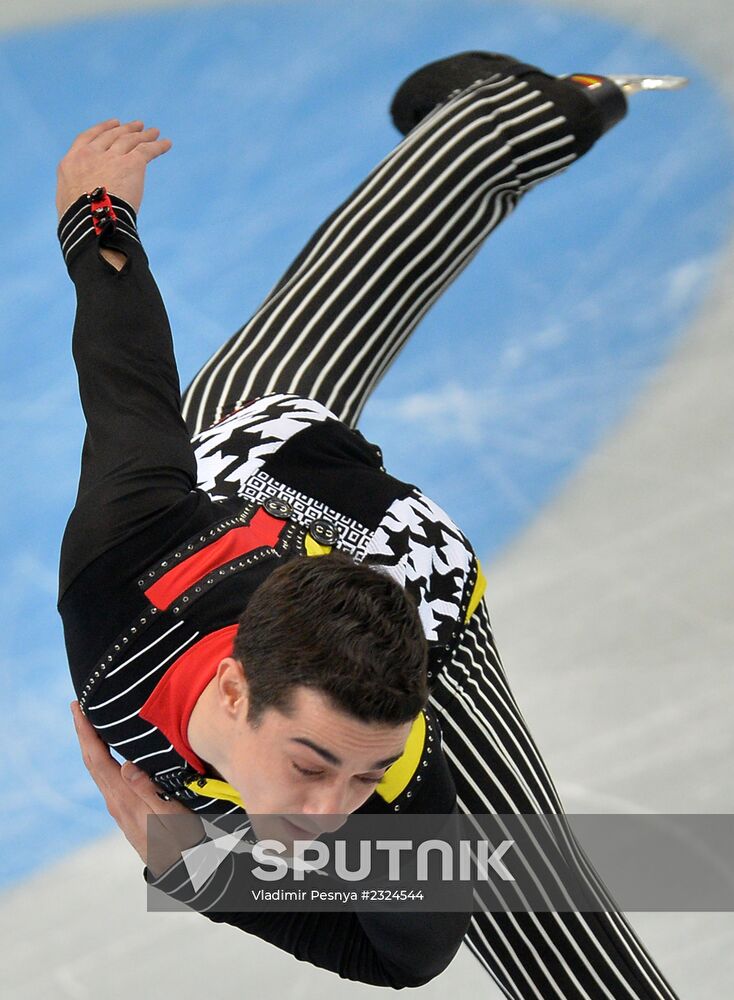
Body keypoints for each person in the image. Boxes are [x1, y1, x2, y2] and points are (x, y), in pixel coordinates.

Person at [59, 51, 683, 997]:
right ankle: (518, 115)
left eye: (359, 780)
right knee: (286, 342)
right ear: (233, 691)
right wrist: (96, 215)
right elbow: (124, 376)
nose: (333, 816)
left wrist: (195, 869)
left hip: (421, 609)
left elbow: (404, 954)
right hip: (251, 460)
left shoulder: (400, 768)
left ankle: (507, 123)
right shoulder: (124, 546)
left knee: (563, 956)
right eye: (315, 763)